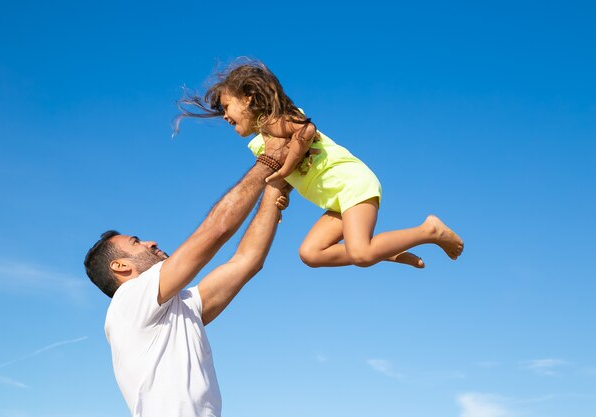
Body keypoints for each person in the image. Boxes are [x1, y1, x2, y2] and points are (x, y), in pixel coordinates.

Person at [176, 59, 464, 270]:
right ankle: (385, 250)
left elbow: (306, 132)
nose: (224, 116)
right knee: (311, 253)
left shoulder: (276, 119)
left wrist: (286, 169)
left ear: (249, 99)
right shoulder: (260, 143)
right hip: (336, 199)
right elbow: (284, 174)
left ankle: (429, 231)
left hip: (351, 184)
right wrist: (282, 193)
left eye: (226, 107)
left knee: (361, 255)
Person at [84, 143, 291, 417]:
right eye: (136, 242)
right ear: (120, 266)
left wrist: (275, 188)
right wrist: (269, 161)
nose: (150, 242)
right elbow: (216, 231)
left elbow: (247, 261)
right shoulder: (128, 300)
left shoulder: (181, 306)